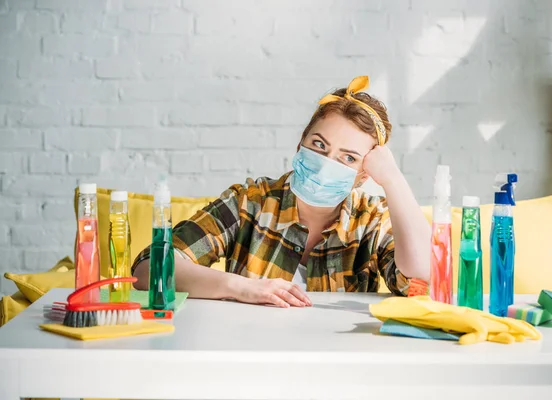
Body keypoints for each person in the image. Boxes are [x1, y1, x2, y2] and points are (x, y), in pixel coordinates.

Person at [131, 75, 431, 308]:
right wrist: (241, 287)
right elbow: (149, 269)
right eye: (319, 145)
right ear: (299, 144)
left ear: (364, 174)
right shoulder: (249, 203)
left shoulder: (371, 220)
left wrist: (393, 179)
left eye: (348, 157)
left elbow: (419, 282)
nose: (327, 163)